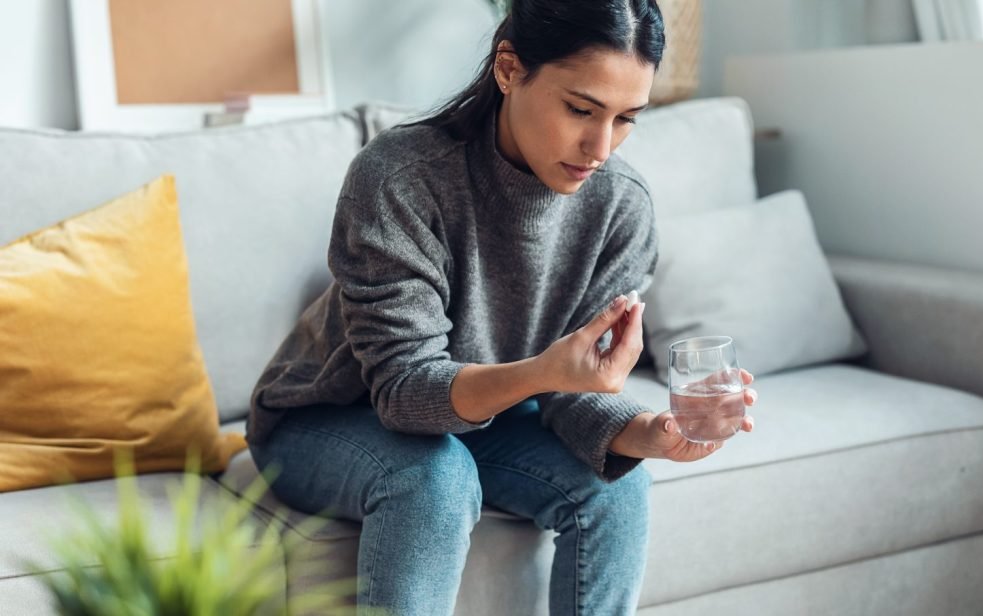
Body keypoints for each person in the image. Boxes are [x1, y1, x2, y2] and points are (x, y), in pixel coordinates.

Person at [246, 0, 756, 614]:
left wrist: (651, 433)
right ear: (509, 68)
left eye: (626, 119)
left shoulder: (621, 207)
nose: (600, 146)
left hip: (487, 418)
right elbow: (403, 391)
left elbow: (574, 390)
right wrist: (542, 373)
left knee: (618, 488)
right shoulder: (400, 177)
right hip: (326, 417)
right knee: (433, 478)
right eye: (581, 109)